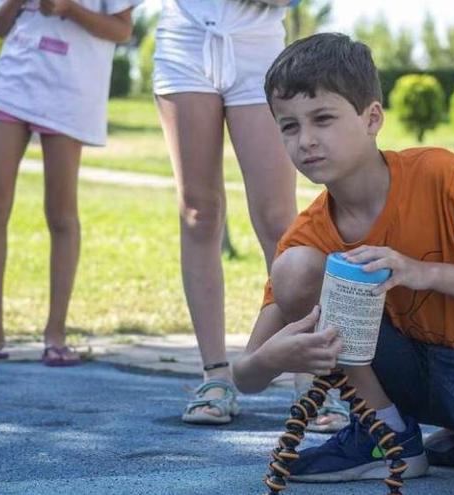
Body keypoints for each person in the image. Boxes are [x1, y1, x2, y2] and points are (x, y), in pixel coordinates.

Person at [231, 33, 454, 495]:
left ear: (372, 118)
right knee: (295, 267)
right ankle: (389, 435)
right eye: (289, 127)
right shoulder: (308, 234)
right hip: (390, 376)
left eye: (323, 119)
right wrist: (274, 358)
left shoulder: (441, 175)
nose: (306, 141)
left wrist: (420, 270)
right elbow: (245, 375)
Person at [154, 0, 346, 429]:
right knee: (197, 212)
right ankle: (215, 376)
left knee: (279, 219)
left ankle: (311, 380)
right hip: (185, 41)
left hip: (257, 45)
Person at [0, 0, 139, 366]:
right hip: (15, 76)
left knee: (61, 214)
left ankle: (55, 334)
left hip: (69, 85)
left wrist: (68, 9)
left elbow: (123, 30)